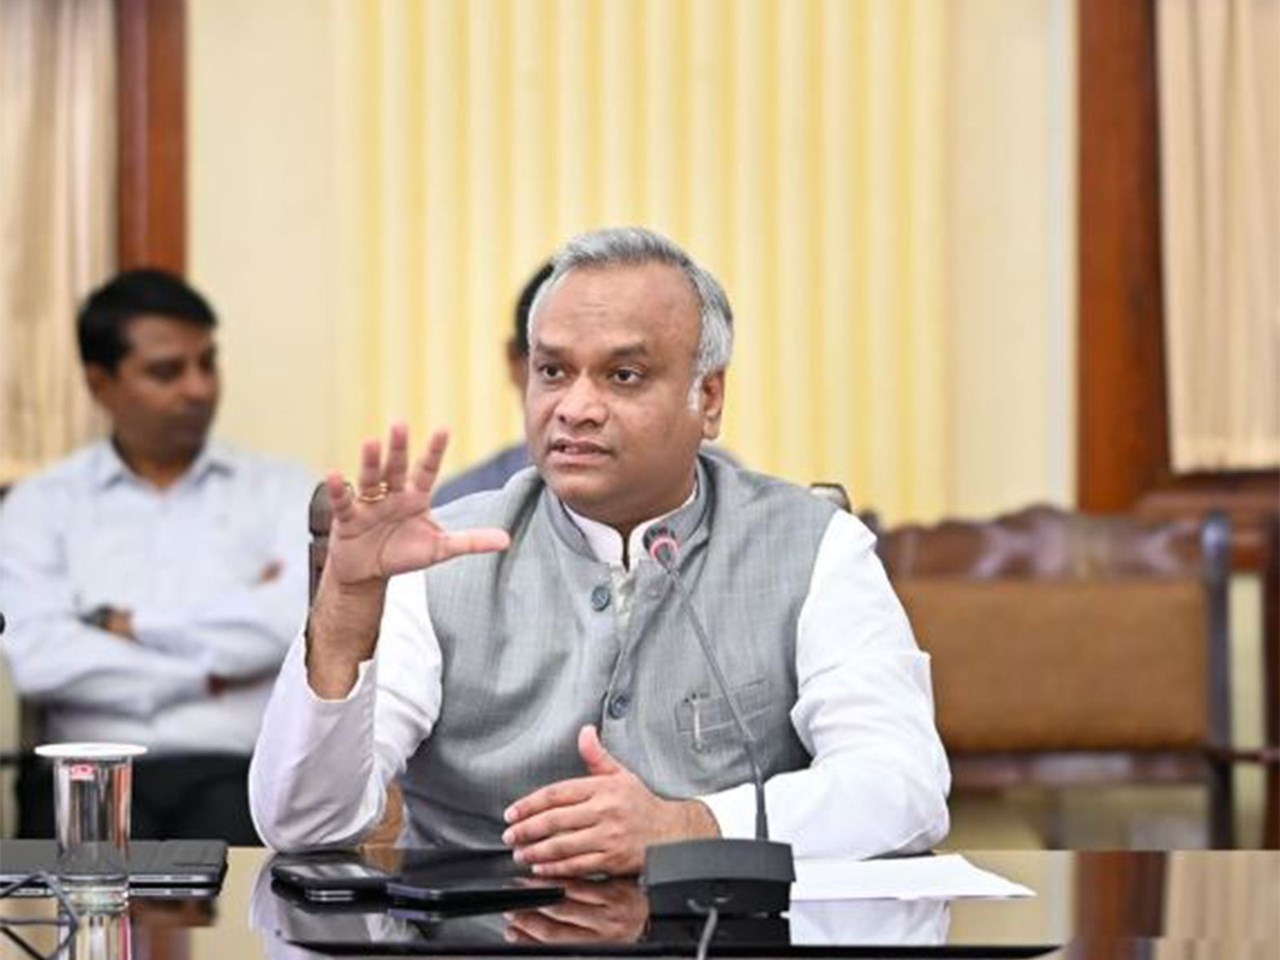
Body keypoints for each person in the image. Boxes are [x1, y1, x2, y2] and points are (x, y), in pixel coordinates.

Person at [250, 227, 949, 874]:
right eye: (553, 372)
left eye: (623, 376)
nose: (575, 408)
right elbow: (305, 825)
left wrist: (694, 827)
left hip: (726, 939)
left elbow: (903, 785)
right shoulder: (439, 558)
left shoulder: (814, 546)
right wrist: (347, 608)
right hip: (477, 939)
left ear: (708, 398)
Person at [0, 269, 314, 844]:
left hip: (239, 775)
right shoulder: (39, 507)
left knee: (247, 873)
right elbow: (41, 660)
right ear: (100, 384)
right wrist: (218, 666)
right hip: (86, 772)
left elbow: (291, 625)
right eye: (168, 371)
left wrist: (130, 626)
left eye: (207, 363)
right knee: (78, 871)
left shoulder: (284, 492)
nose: (198, 388)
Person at [431, 263, 549, 505]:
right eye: (553, 371)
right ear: (514, 361)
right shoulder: (460, 506)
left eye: (621, 374)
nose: (581, 406)